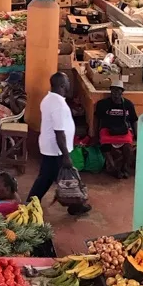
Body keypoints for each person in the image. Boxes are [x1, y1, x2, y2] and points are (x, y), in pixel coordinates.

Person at [26, 72, 91, 215]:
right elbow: (59, 132)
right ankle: (76, 205)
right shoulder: (59, 105)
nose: (69, 83)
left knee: (47, 177)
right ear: (62, 85)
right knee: (67, 178)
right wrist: (66, 156)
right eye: (67, 81)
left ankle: (30, 203)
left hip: (50, 147)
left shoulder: (49, 99)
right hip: (57, 149)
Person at [95, 81, 138, 179]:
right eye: (113, 90)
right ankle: (113, 168)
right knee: (104, 143)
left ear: (122, 92)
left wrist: (136, 134)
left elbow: (134, 120)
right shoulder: (102, 104)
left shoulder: (128, 104)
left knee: (128, 146)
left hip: (123, 130)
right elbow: (97, 118)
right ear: (110, 91)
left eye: (118, 90)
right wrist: (95, 134)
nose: (115, 93)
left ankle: (124, 167)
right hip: (107, 129)